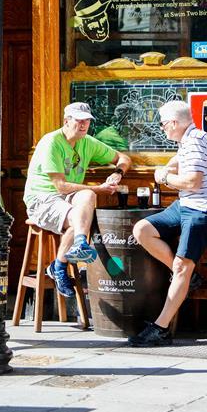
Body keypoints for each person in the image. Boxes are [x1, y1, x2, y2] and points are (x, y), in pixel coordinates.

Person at [128, 100, 207, 347]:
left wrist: (166, 178)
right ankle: (185, 276)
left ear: (174, 123)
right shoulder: (190, 140)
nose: (162, 129)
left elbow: (193, 182)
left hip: (205, 210)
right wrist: (167, 167)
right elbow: (179, 159)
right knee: (142, 229)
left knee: (183, 265)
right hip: (186, 206)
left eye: (163, 125)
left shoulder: (195, 141)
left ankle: (160, 329)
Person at [23, 101, 131, 298]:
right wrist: (100, 188)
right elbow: (60, 186)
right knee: (80, 217)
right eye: (79, 121)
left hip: (67, 201)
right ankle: (61, 265)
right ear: (66, 121)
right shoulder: (51, 142)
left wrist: (117, 174)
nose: (83, 125)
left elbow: (123, 158)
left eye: (87, 121)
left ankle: (70, 253)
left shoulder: (87, 141)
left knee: (87, 197)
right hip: (43, 198)